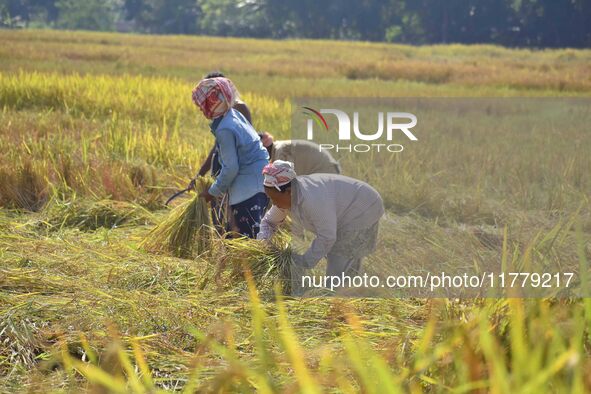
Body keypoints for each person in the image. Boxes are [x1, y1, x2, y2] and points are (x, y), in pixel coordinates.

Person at [257, 160, 384, 279]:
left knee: (339, 262)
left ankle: (343, 292)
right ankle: (350, 283)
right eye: (270, 198)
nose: (273, 203)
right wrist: (263, 243)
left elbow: (327, 236)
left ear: (289, 191)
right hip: (345, 207)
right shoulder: (286, 199)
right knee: (341, 261)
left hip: (363, 207)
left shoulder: (313, 200)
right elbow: (268, 222)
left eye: (275, 198)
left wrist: (304, 262)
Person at [191, 76, 269, 238]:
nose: (200, 108)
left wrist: (212, 192)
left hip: (247, 191)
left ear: (214, 102)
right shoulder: (234, 115)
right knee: (248, 238)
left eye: (203, 103)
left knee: (246, 241)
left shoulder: (224, 129)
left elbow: (231, 167)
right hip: (260, 184)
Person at [259, 132, 341, 175]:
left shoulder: (281, 151)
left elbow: (284, 184)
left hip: (324, 174)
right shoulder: (279, 149)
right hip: (327, 172)